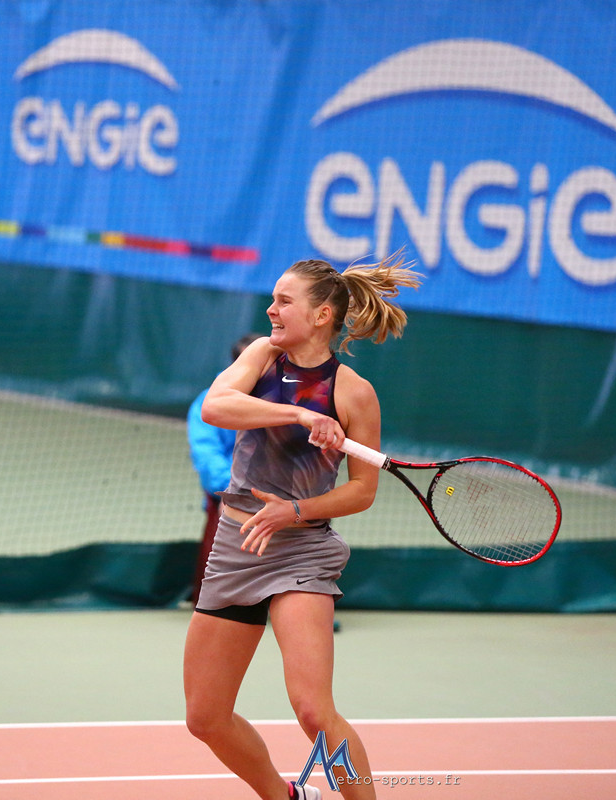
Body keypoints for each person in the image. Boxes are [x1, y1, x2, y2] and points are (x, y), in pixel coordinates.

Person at [183, 254, 421, 800]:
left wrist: (293, 511)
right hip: (236, 547)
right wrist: (299, 414)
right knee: (205, 717)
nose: (271, 309)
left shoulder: (353, 392)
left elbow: (362, 491)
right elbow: (216, 407)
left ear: (320, 315)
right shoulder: (261, 358)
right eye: (273, 299)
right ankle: (287, 796)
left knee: (313, 710)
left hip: (301, 553)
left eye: (284, 301)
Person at [187, 333, 262, 604]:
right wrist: (235, 491)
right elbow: (206, 454)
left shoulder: (288, 398)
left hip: (278, 492)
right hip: (227, 492)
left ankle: (306, 602)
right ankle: (214, 604)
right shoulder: (209, 400)